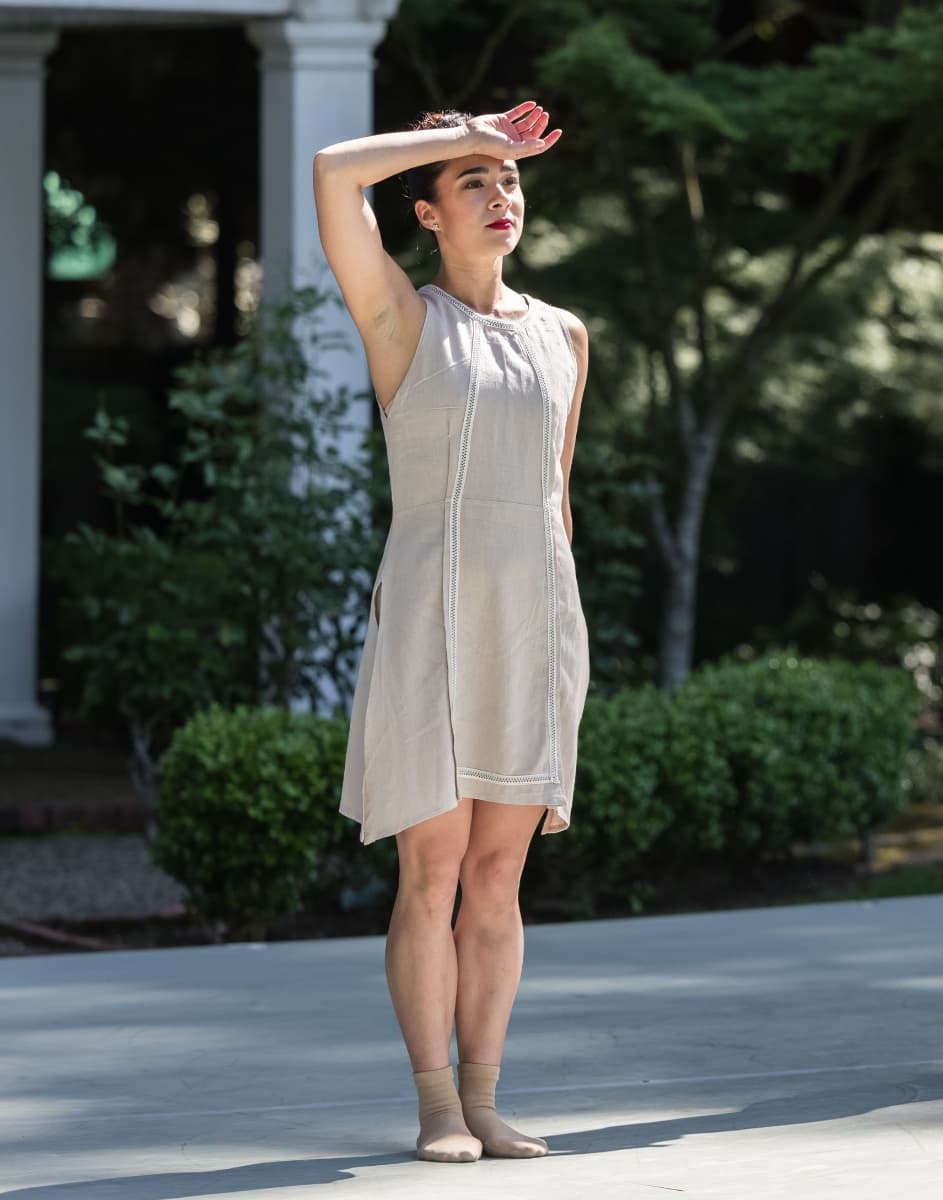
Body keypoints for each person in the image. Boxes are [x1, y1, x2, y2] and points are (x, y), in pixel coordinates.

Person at [313, 101, 590, 1161]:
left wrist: (565, 642)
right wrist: (463, 131)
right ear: (427, 210)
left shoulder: (565, 335)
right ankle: (434, 1106)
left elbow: (557, 501)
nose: (502, 194)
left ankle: (482, 1097)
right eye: (475, 181)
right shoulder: (401, 316)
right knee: (429, 870)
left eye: (510, 180)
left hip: (533, 622)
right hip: (431, 613)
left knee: (498, 879)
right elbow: (336, 172)